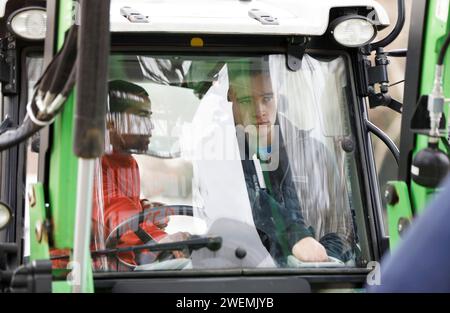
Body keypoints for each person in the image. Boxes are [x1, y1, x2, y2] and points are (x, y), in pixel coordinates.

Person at [227, 59, 356, 266]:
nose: (259, 110)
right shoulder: (225, 159)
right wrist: (296, 235)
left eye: (267, 98)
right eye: (246, 100)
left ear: (278, 93)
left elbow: (344, 227)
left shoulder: (315, 155)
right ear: (231, 98)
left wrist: (320, 263)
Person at [92, 80, 185, 271]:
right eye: (142, 117)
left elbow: (120, 205)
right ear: (111, 122)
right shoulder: (89, 163)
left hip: (122, 266)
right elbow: (114, 213)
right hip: (90, 275)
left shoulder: (127, 162)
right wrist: (162, 240)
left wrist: (144, 209)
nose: (151, 127)